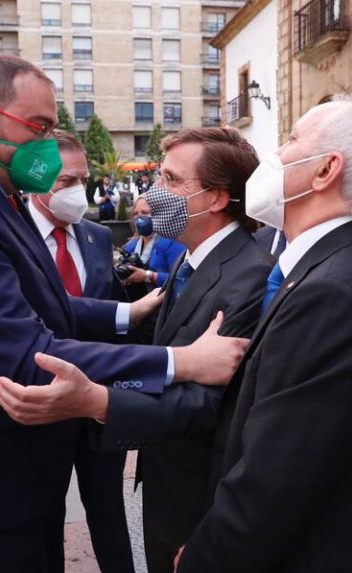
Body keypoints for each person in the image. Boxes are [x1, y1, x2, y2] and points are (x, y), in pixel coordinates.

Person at [0, 98, 352, 572]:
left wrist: (208, 554)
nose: (276, 154)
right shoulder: (330, 272)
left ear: (326, 170)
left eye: (291, 139)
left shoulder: (333, 293)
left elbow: (277, 469)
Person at [0, 54, 247, 573]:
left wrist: (126, 314)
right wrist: (183, 362)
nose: (48, 146)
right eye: (39, 127)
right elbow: (30, 355)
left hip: (16, 475)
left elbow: (40, 301)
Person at [108, 127, 271, 573]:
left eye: (171, 180)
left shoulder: (250, 276)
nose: (154, 192)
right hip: (166, 481)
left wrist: (102, 401)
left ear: (215, 198)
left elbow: (212, 402)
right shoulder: (188, 257)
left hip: (200, 498)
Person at [28, 130, 134, 573]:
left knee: (108, 509)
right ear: (36, 180)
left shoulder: (95, 235)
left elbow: (108, 307)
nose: (78, 191)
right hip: (40, 401)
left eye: (83, 180)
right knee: (41, 516)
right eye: (66, 181)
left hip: (98, 399)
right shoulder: (11, 236)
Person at [121, 196, 187, 296]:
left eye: (145, 212)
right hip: (136, 300)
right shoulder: (131, 246)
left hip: (162, 301)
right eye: (136, 213)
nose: (139, 217)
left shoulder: (173, 242)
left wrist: (149, 276)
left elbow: (181, 279)